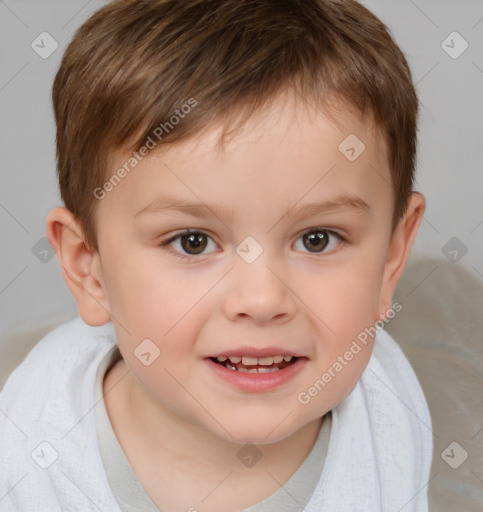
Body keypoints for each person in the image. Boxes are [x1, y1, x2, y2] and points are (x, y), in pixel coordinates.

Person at [0, 0, 433, 510]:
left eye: (317, 239)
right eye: (192, 241)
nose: (262, 299)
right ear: (88, 269)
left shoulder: (391, 414)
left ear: (390, 260)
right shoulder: (29, 461)